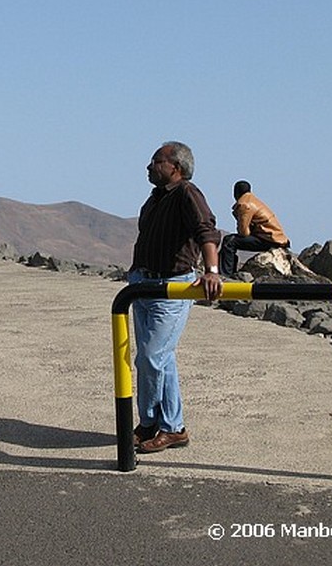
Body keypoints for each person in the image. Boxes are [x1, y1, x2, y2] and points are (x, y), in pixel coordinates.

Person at [128, 141, 222, 453]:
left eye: (156, 161)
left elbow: (206, 230)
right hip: (143, 285)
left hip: (171, 288)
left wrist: (212, 270)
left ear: (175, 168)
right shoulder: (156, 197)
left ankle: (149, 422)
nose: (149, 166)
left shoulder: (187, 193)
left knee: (151, 357)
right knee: (161, 359)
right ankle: (172, 427)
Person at [219, 180, 290, 277]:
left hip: (269, 240)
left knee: (229, 241)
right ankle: (230, 272)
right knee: (231, 241)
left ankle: (225, 274)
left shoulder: (244, 204)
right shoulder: (253, 200)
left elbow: (243, 232)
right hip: (274, 238)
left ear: (235, 192)